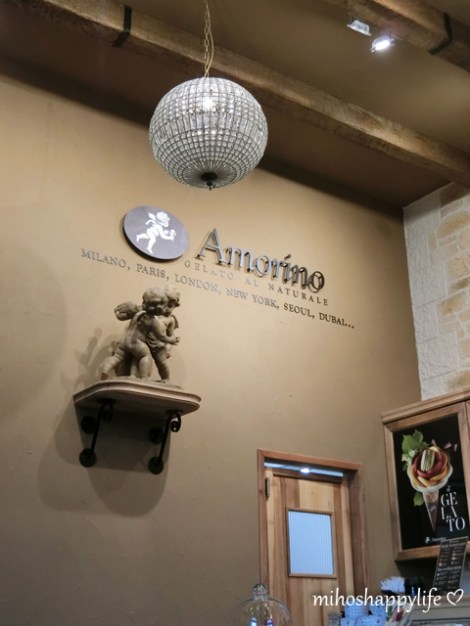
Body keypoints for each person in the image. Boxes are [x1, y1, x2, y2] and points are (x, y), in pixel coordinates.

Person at [99, 287, 179, 380]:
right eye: (165, 305)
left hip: (135, 342)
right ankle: (143, 377)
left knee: (118, 356)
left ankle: (105, 370)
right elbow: (161, 336)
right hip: (140, 342)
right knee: (144, 356)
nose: (166, 308)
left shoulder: (141, 314)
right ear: (159, 307)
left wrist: (168, 348)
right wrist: (171, 340)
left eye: (170, 306)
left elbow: (170, 333)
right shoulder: (153, 320)